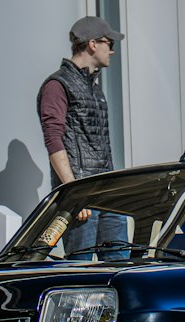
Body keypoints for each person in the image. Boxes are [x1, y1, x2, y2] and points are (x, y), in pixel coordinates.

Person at [37, 15, 128, 257]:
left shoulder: (94, 88)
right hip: (82, 196)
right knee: (81, 266)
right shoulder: (57, 85)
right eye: (111, 44)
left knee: (121, 267)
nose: (113, 51)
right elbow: (53, 138)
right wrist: (74, 191)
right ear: (93, 44)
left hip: (108, 195)